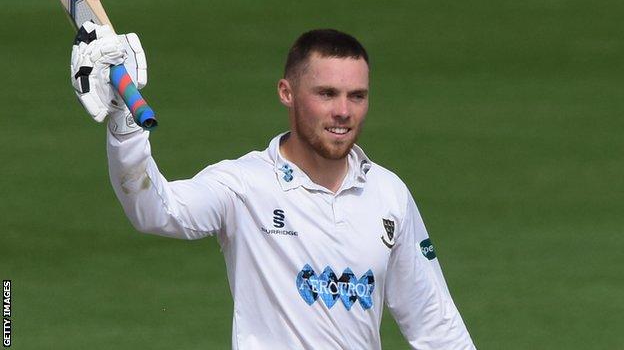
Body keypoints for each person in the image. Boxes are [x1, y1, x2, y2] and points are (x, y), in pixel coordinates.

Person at [70, 22, 476, 350]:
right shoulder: (245, 186)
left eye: (357, 96)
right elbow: (156, 211)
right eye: (327, 94)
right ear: (287, 92)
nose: (343, 112)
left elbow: (436, 324)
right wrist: (125, 125)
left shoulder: (389, 195)